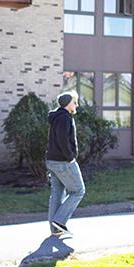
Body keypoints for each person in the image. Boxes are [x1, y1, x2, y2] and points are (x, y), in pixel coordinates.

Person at [46, 90, 85, 236]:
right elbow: (63, 139)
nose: (77, 105)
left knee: (57, 192)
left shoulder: (56, 117)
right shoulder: (65, 118)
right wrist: (70, 157)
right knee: (78, 191)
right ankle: (60, 220)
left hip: (52, 160)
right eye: (74, 102)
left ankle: (55, 229)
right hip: (63, 161)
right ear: (68, 104)